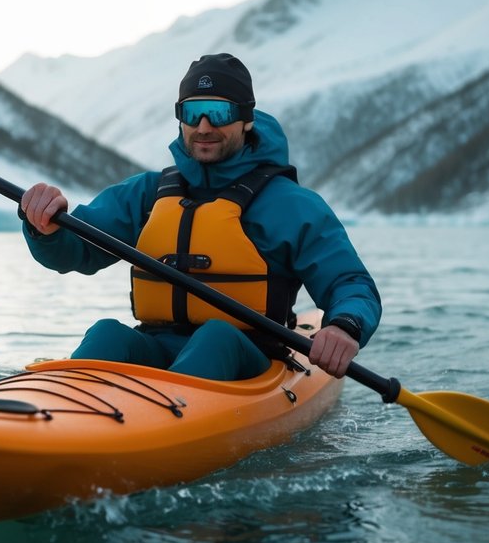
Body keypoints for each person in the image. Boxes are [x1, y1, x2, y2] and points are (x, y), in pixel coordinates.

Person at [19, 53, 380, 381]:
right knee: (107, 332)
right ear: (181, 120)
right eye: (193, 113)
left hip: (249, 358)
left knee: (216, 336)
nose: (204, 126)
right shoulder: (148, 193)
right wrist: (45, 227)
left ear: (246, 120)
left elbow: (350, 283)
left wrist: (345, 326)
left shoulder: (290, 205)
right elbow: (74, 251)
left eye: (219, 112)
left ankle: (160, 432)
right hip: (158, 347)